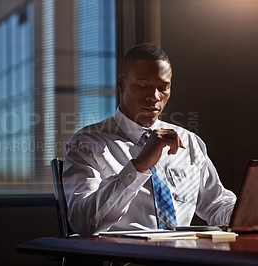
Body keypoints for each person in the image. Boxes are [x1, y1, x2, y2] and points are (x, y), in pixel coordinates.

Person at [62, 42, 236, 236]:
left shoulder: (189, 142)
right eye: (143, 86)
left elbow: (216, 204)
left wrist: (254, 214)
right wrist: (139, 166)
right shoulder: (88, 143)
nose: (154, 97)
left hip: (185, 253)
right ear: (121, 84)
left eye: (163, 88)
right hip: (125, 257)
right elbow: (82, 222)